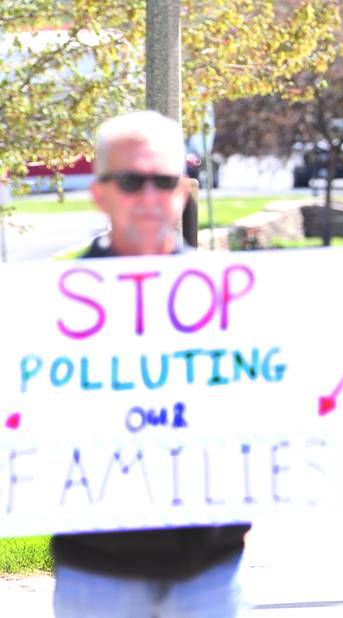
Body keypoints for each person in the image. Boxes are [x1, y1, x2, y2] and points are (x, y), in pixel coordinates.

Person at [50, 110, 249, 617]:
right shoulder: (49, 309)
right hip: (93, 572)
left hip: (211, 571)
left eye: (162, 181)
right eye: (130, 180)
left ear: (184, 191)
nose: (148, 196)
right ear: (100, 192)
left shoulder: (237, 303)